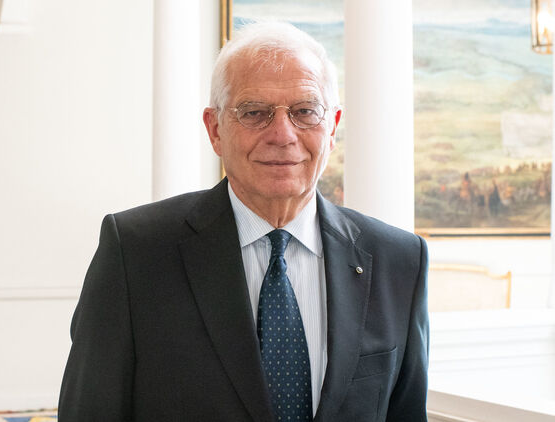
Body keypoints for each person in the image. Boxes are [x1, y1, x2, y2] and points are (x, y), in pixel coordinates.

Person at [59, 22, 428, 422]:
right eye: (254, 113)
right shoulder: (135, 253)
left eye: (305, 112)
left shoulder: (398, 260)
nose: (283, 134)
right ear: (215, 129)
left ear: (333, 126)